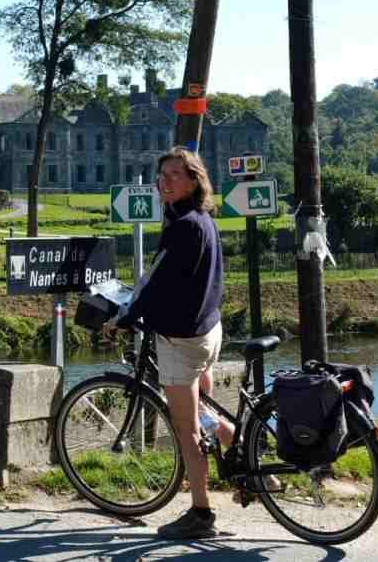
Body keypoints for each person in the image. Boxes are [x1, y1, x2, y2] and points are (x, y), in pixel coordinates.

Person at [111, 146, 230, 540]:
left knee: (187, 429)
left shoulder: (182, 225)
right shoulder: (203, 218)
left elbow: (157, 281)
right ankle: (246, 452)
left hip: (183, 340)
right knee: (203, 411)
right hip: (208, 330)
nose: (165, 181)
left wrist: (127, 318)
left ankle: (201, 514)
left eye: (175, 175)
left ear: (194, 179)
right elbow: (175, 279)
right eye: (162, 175)